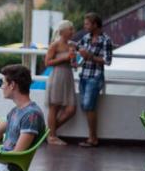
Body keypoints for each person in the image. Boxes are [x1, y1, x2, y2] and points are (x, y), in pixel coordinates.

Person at [76, 12, 113, 147]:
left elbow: (107, 61)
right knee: (86, 106)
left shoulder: (106, 40)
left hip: (95, 76)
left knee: (88, 106)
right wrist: (78, 54)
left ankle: (93, 138)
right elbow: (78, 47)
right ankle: (92, 137)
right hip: (84, 75)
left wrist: (90, 56)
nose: (84, 26)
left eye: (87, 24)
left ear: (95, 24)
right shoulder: (86, 37)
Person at [43, 20, 78, 145]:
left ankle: (47, 133)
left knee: (71, 109)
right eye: (70, 29)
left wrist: (74, 62)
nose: (73, 31)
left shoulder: (72, 45)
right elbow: (47, 63)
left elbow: (73, 64)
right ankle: (52, 136)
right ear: (63, 31)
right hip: (57, 76)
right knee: (55, 107)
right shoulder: (55, 45)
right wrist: (64, 58)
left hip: (68, 76)